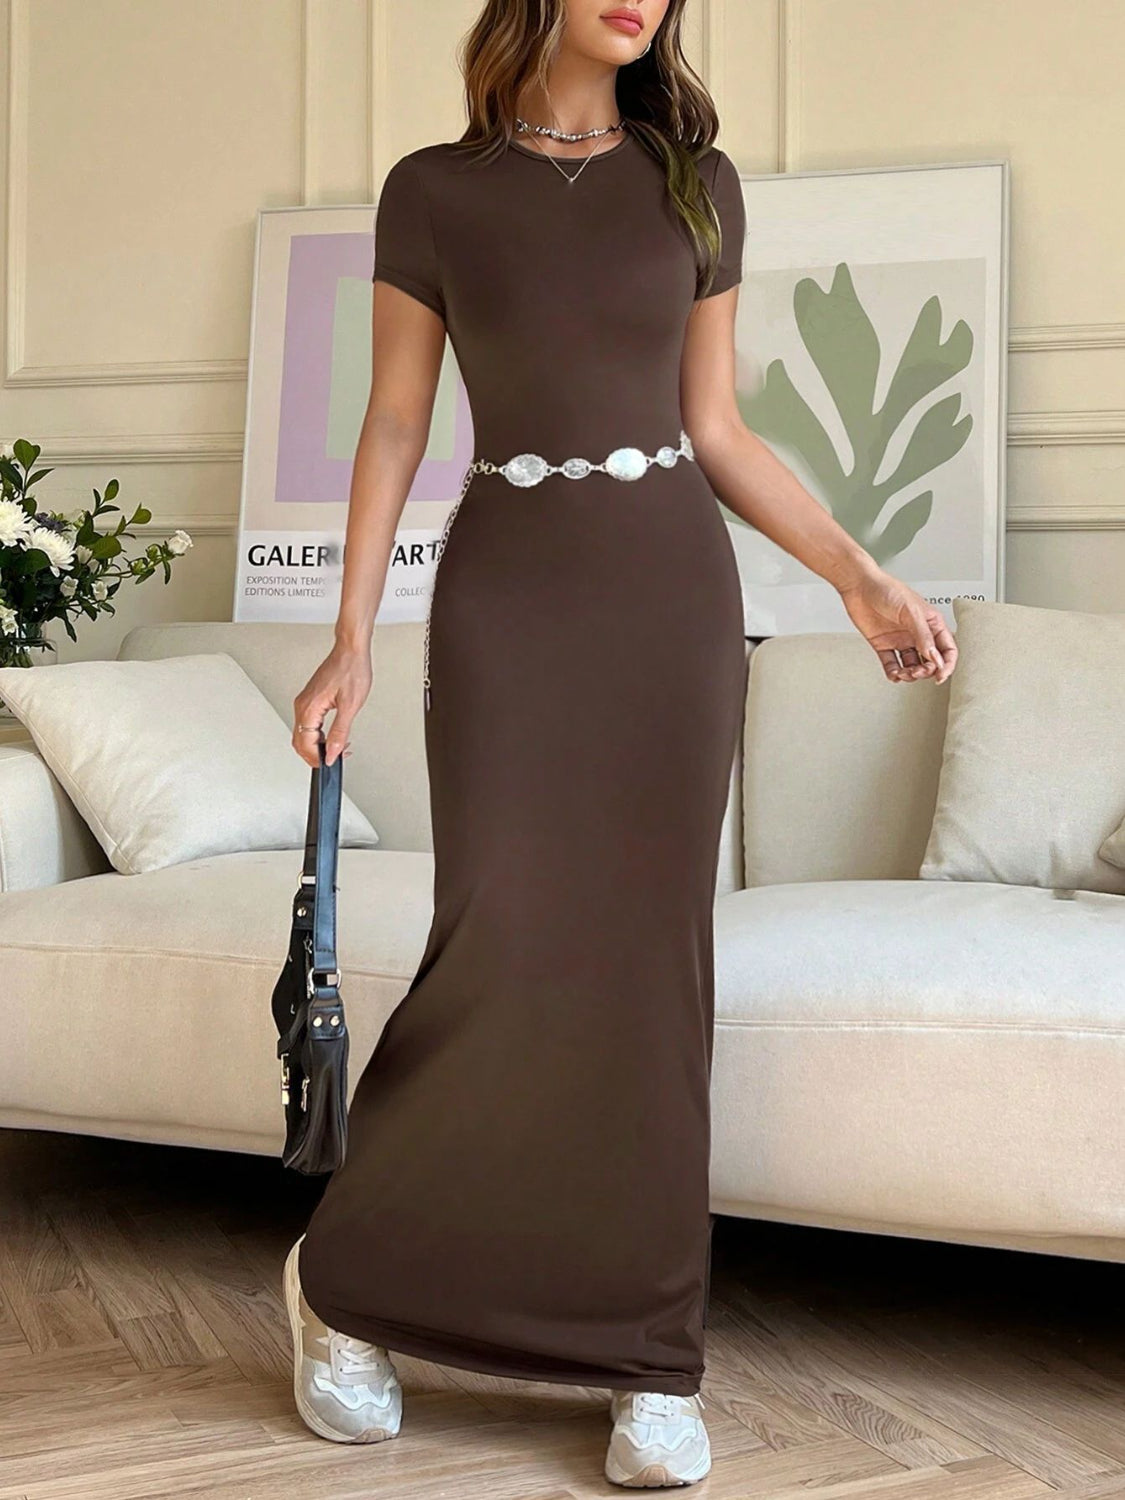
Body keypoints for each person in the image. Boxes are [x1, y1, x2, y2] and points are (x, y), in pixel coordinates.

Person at [282, 0, 958, 1487]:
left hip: (667, 607)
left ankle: (647, 1356)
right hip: (508, 602)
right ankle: (348, 1290)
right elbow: (395, 423)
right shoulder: (433, 191)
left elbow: (717, 428)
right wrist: (350, 637)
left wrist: (857, 576)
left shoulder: (694, 183)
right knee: (495, 943)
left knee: (652, 971)